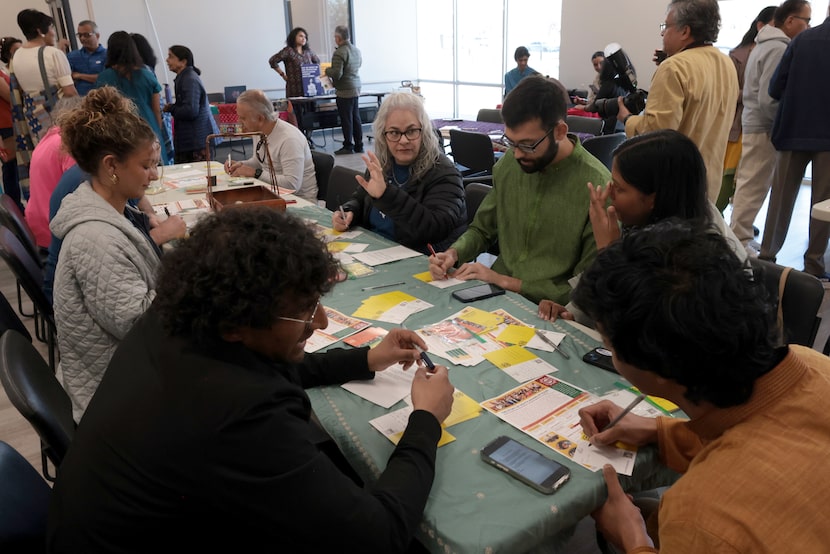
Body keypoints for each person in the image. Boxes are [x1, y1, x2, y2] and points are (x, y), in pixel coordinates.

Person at [46, 207, 455, 553]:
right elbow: (378, 536)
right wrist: (426, 420)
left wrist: (366, 358)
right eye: (304, 309)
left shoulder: (180, 316)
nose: (320, 322)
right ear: (237, 324)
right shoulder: (239, 414)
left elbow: (262, 367)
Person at [572, 219, 830, 552]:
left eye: (608, 344)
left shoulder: (698, 515)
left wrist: (631, 538)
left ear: (657, 366)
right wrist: (658, 431)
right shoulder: (812, 363)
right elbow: (769, 436)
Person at [428, 75, 610, 305]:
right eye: (511, 142)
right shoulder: (509, 165)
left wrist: (507, 281)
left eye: (528, 145)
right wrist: (453, 254)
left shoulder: (597, 187)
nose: (517, 154)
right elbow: (482, 230)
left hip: (551, 308)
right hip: (496, 295)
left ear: (560, 131)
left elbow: (587, 287)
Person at [538, 129, 746, 322]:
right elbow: (594, 308)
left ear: (654, 198)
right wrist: (570, 312)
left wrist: (609, 254)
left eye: (619, 188)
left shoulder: (695, 263)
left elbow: (633, 329)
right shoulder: (658, 220)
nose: (609, 193)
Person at [50, 86, 164, 422]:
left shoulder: (109, 210)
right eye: (146, 166)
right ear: (112, 165)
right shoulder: (96, 239)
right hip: (115, 402)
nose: (155, 175)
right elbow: (142, 326)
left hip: (122, 377)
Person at [616, 0, 738, 204]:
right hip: (707, 183)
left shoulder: (674, 68)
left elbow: (656, 133)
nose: (662, 33)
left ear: (685, 31)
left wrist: (627, 119)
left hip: (674, 185)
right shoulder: (726, 63)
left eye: (666, 26)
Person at [332, 92, 467, 253]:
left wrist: (386, 195)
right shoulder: (382, 163)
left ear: (423, 132)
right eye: (394, 133)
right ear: (383, 135)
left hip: (420, 257)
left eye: (411, 131)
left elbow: (435, 229)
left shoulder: (444, 172)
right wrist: (349, 212)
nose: (403, 140)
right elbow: (361, 200)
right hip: (376, 250)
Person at [730, 0, 810, 257]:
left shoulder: (765, 43)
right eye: (806, 20)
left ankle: (738, 238)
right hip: (764, 126)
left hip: (756, 123)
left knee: (750, 184)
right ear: (790, 21)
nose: (809, 27)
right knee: (753, 186)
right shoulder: (777, 48)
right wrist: (783, 126)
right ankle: (738, 242)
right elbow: (768, 99)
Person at [760, 5, 830, 279]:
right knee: (823, 204)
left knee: (780, 198)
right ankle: (814, 265)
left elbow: (775, 87)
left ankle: (767, 256)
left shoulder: (802, 40)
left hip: (793, 128)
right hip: (827, 138)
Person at [715, 6, 776, 212]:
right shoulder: (737, 55)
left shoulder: (776, 52)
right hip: (736, 124)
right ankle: (715, 216)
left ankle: (735, 221)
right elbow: (727, 92)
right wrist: (755, 94)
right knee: (728, 176)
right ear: (760, 26)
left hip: (758, 123)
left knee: (749, 180)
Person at [224, 89, 317, 202]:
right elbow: (259, 161)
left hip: (299, 201)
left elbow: (292, 186)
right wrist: (240, 165)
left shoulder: (289, 139)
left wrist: (255, 173)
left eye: (243, 118)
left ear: (260, 118)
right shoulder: (258, 131)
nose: (239, 121)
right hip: (272, 193)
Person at [95, 31, 170, 165]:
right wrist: (156, 131)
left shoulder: (105, 78)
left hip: (121, 132)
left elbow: (101, 111)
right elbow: (156, 110)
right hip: (149, 128)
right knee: (156, 169)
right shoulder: (147, 75)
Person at [24, 96, 82, 250]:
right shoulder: (66, 144)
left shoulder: (48, 138)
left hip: (39, 226)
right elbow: (79, 189)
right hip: (54, 231)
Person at [163, 45, 217, 163]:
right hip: (193, 140)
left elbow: (191, 111)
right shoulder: (185, 77)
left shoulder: (189, 79)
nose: (167, 60)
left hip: (197, 142)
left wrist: (171, 108)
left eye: (171, 57)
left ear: (183, 62)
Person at [12, 9, 77, 98]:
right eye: (51, 28)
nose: (53, 33)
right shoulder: (53, 53)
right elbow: (70, 93)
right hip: (57, 106)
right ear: (40, 31)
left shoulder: (17, 54)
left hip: (32, 106)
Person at [131, 32, 174, 164]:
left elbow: (155, 104)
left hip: (152, 118)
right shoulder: (148, 69)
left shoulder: (143, 71)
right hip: (156, 117)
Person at [325, 25, 363, 155]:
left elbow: (337, 74)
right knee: (356, 117)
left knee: (346, 119)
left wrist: (326, 70)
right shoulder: (356, 50)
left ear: (338, 38)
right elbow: (359, 65)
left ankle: (348, 146)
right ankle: (359, 145)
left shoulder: (339, 52)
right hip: (356, 87)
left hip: (344, 90)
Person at [0, 36, 23, 210]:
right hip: (6, 123)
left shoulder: (7, 71)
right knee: (10, 166)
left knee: (14, 166)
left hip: (12, 121)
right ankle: (14, 207)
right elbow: (10, 96)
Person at [66, 20, 106, 96]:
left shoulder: (107, 55)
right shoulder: (72, 56)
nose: (82, 38)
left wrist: (80, 75)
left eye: (86, 35)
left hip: (102, 98)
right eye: (80, 35)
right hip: (80, 99)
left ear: (97, 35)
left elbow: (105, 78)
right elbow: (67, 78)